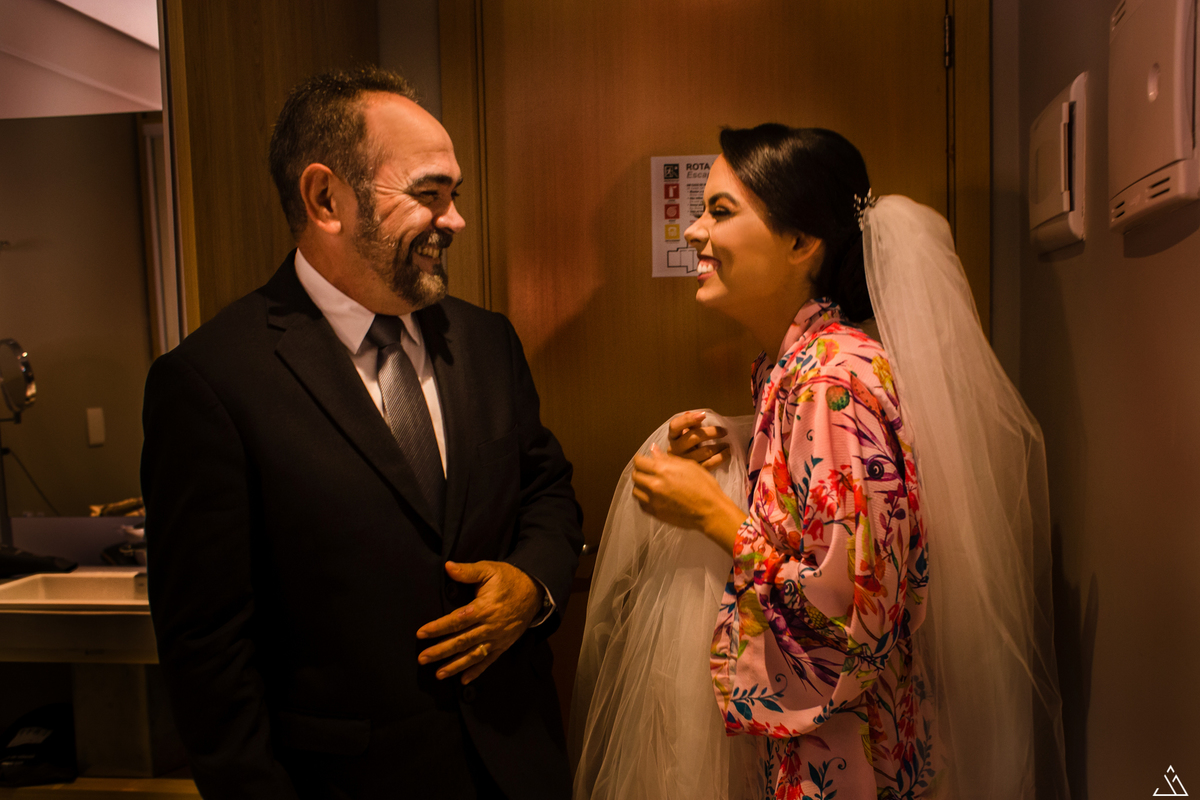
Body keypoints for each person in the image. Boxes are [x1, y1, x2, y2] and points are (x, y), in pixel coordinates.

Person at [575, 125, 1069, 800]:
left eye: (720, 211)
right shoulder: (799, 369)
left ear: (802, 244)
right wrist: (738, 450)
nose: (693, 232)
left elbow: (851, 618)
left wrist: (711, 511)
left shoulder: (833, 384)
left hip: (846, 761)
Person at [141, 67, 583, 800]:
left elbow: (546, 490)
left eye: (455, 197)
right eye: (429, 194)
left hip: (515, 763)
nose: (455, 221)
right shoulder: (212, 381)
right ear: (326, 199)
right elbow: (208, 653)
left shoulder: (485, 341)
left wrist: (531, 584)